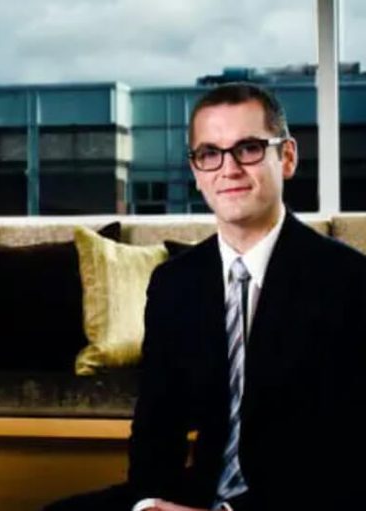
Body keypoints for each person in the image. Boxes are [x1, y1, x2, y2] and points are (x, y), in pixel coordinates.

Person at [45, 82, 366, 511]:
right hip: (195, 495)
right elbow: (157, 426)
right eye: (210, 154)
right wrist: (151, 504)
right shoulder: (174, 284)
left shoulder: (348, 280)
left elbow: (350, 451)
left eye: (248, 148)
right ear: (196, 172)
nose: (228, 169)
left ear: (287, 157)